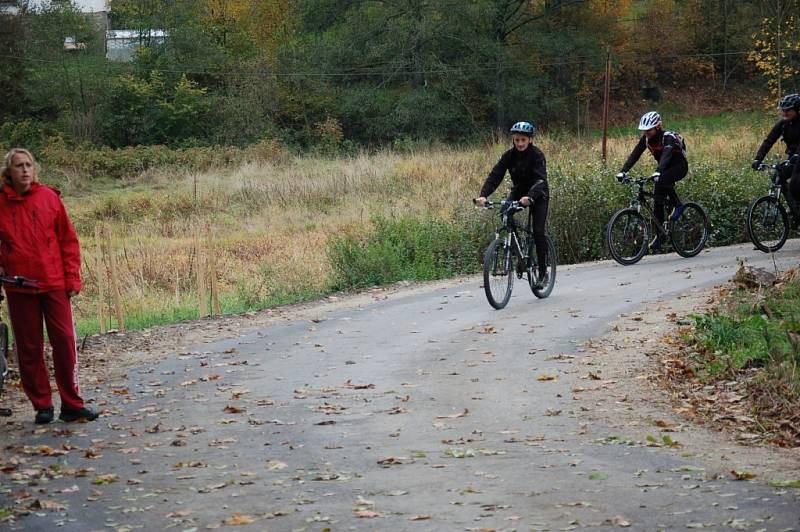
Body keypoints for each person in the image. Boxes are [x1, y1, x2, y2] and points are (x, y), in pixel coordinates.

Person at [0, 148, 98, 424]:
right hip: (20, 287)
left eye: (29, 165)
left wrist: (72, 278)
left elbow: (68, 241)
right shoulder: (1, 204)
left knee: (65, 342)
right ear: (9, 172)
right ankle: (42, 405)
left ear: (35, 169)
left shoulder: (49, 198)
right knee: (29, 348)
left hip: (54, 282)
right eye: (19, 166)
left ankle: (72, 404)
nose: (25, 170)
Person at [475, 121, 550, 288]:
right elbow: (495, 176)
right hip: (519, 191)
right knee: (504, 213)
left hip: (538, 193)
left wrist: (530, 197)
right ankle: (518, 251)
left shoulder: (537, 155)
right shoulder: (509, 156)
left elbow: (540, 180)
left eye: (523, 140)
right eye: (517, 140)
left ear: (530, 140)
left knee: (538, 231)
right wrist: (483, 195)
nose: (520, 143)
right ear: (513, 140)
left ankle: (543, 273)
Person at [616, 111, 688, 250]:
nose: (646, 133)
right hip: (664, 170)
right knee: (657, 201)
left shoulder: (668, 137)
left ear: (658, 127)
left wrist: (658, 171)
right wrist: (623, 171)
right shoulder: (646, 139)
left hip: (679, 167)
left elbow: (666, 155)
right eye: (644, 130)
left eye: (649, 130)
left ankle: (678, 205)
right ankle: (660, 236)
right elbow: (635, 155)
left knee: (661, 181)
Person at [752, 93, 800, 218]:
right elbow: (769, 141)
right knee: (778, 177)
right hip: (793, 158)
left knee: (795, 182)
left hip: (798, 157)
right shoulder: (783, 124)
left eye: (788, 110)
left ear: (797, 108)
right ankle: (794, 208)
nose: (785, 112)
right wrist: (758, 158)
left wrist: (796, 155)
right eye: (783, 110)